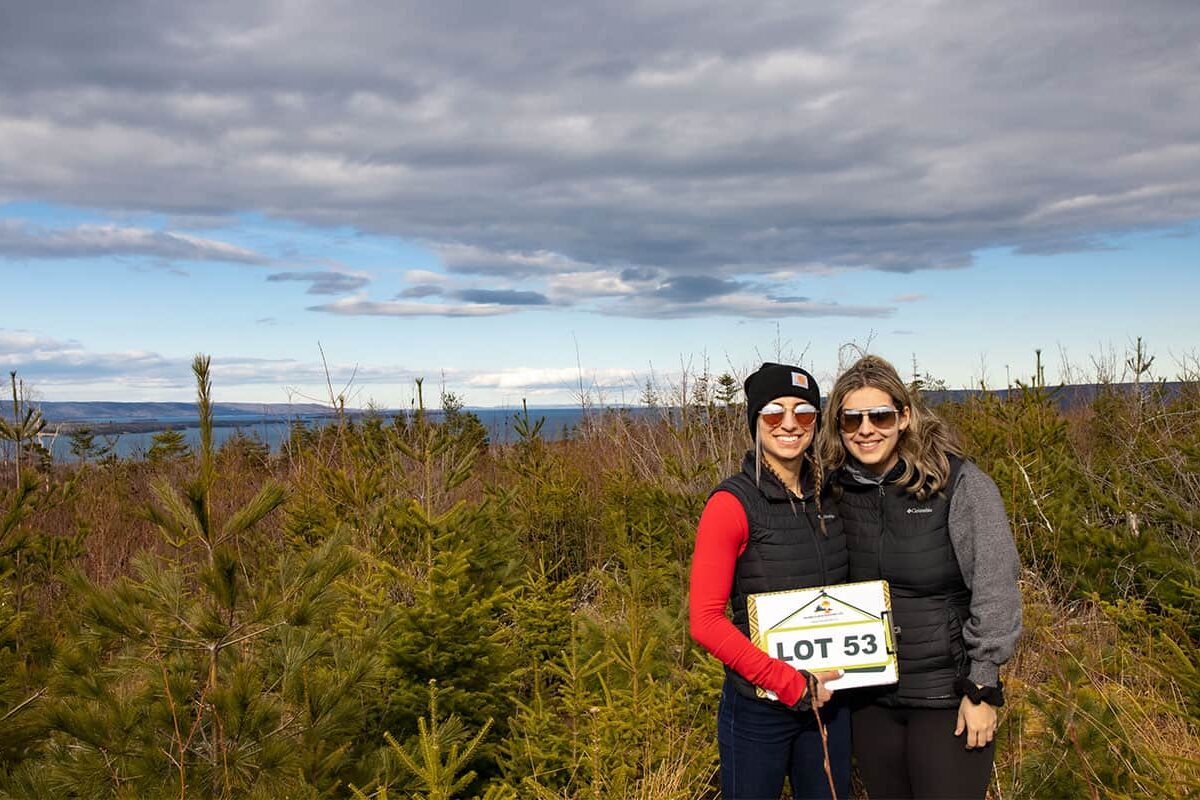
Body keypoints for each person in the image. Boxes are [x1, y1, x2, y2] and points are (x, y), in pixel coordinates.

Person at [819, 355, 1022, 800]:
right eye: (851, 419)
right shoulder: (833, 490)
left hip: (946, 698)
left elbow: (995, 589)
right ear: (838, 425)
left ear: (904, 416)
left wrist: (982, 686)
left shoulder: (958, 484)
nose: (866, 429)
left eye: (880, 415)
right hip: (869, 700)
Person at [689, 362, 851, 800]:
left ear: (817, 423)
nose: (789, 425)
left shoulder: (832, 497)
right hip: (759, 708)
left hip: (829, 703)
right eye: (774, 413)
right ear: (755, 422)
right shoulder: (731, 504)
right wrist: (788, 683)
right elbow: (705, 620)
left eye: (804, 413)